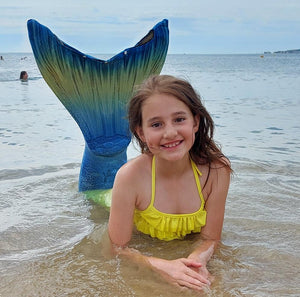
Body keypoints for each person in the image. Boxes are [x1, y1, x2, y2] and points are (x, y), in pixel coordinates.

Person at [108, 75, 232, 292]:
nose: (170, 133)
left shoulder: (216, 171)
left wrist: (196, 262)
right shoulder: (129, 177)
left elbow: (211, 238)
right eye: (156, 124)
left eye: (179, 119)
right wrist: (161, 265)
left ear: (195, 121)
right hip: (144, 242)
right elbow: (117, 248)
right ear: (141, 133)